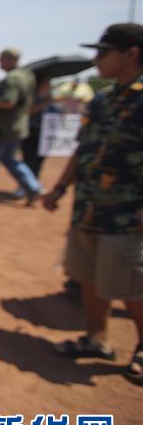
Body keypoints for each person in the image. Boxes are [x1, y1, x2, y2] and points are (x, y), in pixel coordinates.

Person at [44, 23, 143, 386]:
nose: (96, 60)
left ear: (131, 53)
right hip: (89, 207)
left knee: (132, 285)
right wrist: (58, 188)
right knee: (85, 276)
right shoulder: (103, 99)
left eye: (103, 52)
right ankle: (97, 338)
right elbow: (82, 149)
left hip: (128, 214)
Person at [0, 47, 42, 205]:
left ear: (10, 59)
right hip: (18, 126)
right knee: (10, 159)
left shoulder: (12, 78)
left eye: (1, 59)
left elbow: (8, 102)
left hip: (2, 128)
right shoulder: (27, 75)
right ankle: (33, 187)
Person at [21, 77, 52, 179]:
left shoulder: (49, 97)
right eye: (47, 83)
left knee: (39, 159)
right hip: (32, 132)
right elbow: (28, 112)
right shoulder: (32, 96)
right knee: (29, 159)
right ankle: (26, 183)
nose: (49, 85)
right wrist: (43, 104)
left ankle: (34, 180)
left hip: (45, 133)